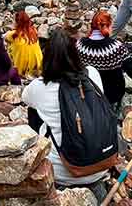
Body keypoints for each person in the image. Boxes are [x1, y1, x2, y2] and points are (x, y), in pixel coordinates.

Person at [22, 30, 110, 202]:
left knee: (33, 110)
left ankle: (43, 154)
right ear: (75, 54)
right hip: (102, 163)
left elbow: (24, 98)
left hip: (63, 172)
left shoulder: (39, 87)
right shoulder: (92, 74)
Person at [77, 11, 131, 106]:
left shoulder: (80, 45)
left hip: (88, 92)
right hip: (112, 95)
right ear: (108, 26)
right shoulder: (116, 47)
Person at [4, 10, 43, 78]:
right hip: (37, 66)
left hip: (20, 69)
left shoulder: (14, 34)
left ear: (17, 22)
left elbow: (5, 38)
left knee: (8, 46)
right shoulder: (34, 31)